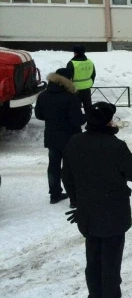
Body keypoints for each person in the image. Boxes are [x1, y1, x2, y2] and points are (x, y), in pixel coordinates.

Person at [62, 102, 132, 298]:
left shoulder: (74, 141)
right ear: (108, 122)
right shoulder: (115, 146)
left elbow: (67, 177)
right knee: (110, 259)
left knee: (93, 257)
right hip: (112, 211)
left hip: (87, 213)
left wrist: (78, 201)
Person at [34, 67, 84, 204]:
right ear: (68, 80)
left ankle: (54, 194)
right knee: (72, 167)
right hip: (70, 138)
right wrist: (85, 118)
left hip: (51, 136)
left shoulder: (43, 95)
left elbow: (38, 115)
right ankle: (74, 198)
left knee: (53, 166)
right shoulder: (70, 96)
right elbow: (77, 120)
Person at [67, 45, 96, 112]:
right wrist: (90, 84)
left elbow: (68, 78)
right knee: (88, 107)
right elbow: (93, 75)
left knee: (76, 108)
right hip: (87, 89)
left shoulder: (72, 63)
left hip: (75, 89)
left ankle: (77, 122)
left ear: (75, 53)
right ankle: (90, 121)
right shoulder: (90, 62)